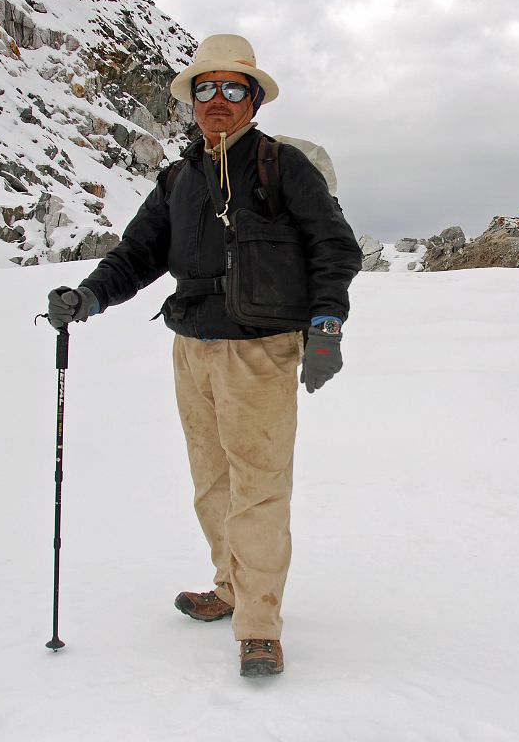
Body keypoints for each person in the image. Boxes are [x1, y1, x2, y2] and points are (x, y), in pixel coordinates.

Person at [46, 34, 361, 678]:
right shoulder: (179, 177)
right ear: (192, 101)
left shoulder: (281, 166)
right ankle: (230, 586)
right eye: (205, 88)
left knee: (259, 489)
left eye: (232, 88)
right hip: (192, 348)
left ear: (253, 100)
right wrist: (89, 297)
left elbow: (334, 248)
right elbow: (137, 253)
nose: (217, 99)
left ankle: (259, 625)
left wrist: (326, 327)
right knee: (212, 482)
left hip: (260, 352)